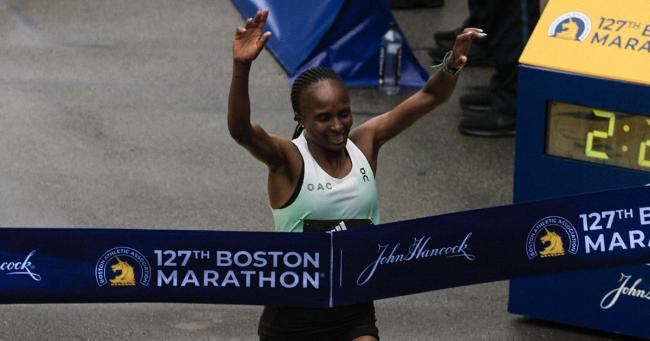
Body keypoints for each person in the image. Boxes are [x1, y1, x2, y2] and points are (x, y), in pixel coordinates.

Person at [228, 8, 484, 341]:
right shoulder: (288, 160)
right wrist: (241, 65)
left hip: (354, 307)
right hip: (293, 315)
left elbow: (429, 96)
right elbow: (242, 132)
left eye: (344, 113)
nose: (337, 125)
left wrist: (452, 64)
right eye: (323, 118)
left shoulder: (365, 143)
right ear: (300, 118)